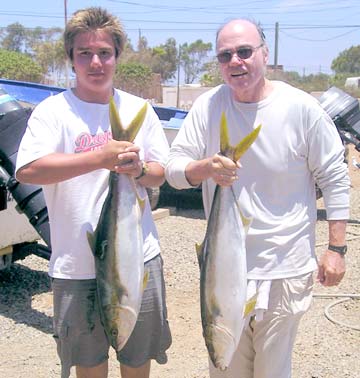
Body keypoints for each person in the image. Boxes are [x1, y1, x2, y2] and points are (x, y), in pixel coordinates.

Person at [165, 18, 349, 378]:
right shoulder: (207, 106)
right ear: (219, 64)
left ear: (265, 54)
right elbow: (173, 167)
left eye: (245, 51)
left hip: (285, 269)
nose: (236, 61)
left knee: (273, 371)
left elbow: (335, 177)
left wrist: (336, 249)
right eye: (226, 55)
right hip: (222, 272)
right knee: (225, 369)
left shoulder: (302, 108)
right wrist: (205, 168)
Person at [15, 7, 171, 378]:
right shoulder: (53, 112)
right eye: (84, 53)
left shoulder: (139, 110)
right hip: (76, 267)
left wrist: (140, 169)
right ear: (71, 59)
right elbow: (28, 169)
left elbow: (160, 173)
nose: (95, 62)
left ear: (117, 56)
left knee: (137, 360)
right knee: (88, 365)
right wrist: (99, 158)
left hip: (138, 260)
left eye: (104, 52)